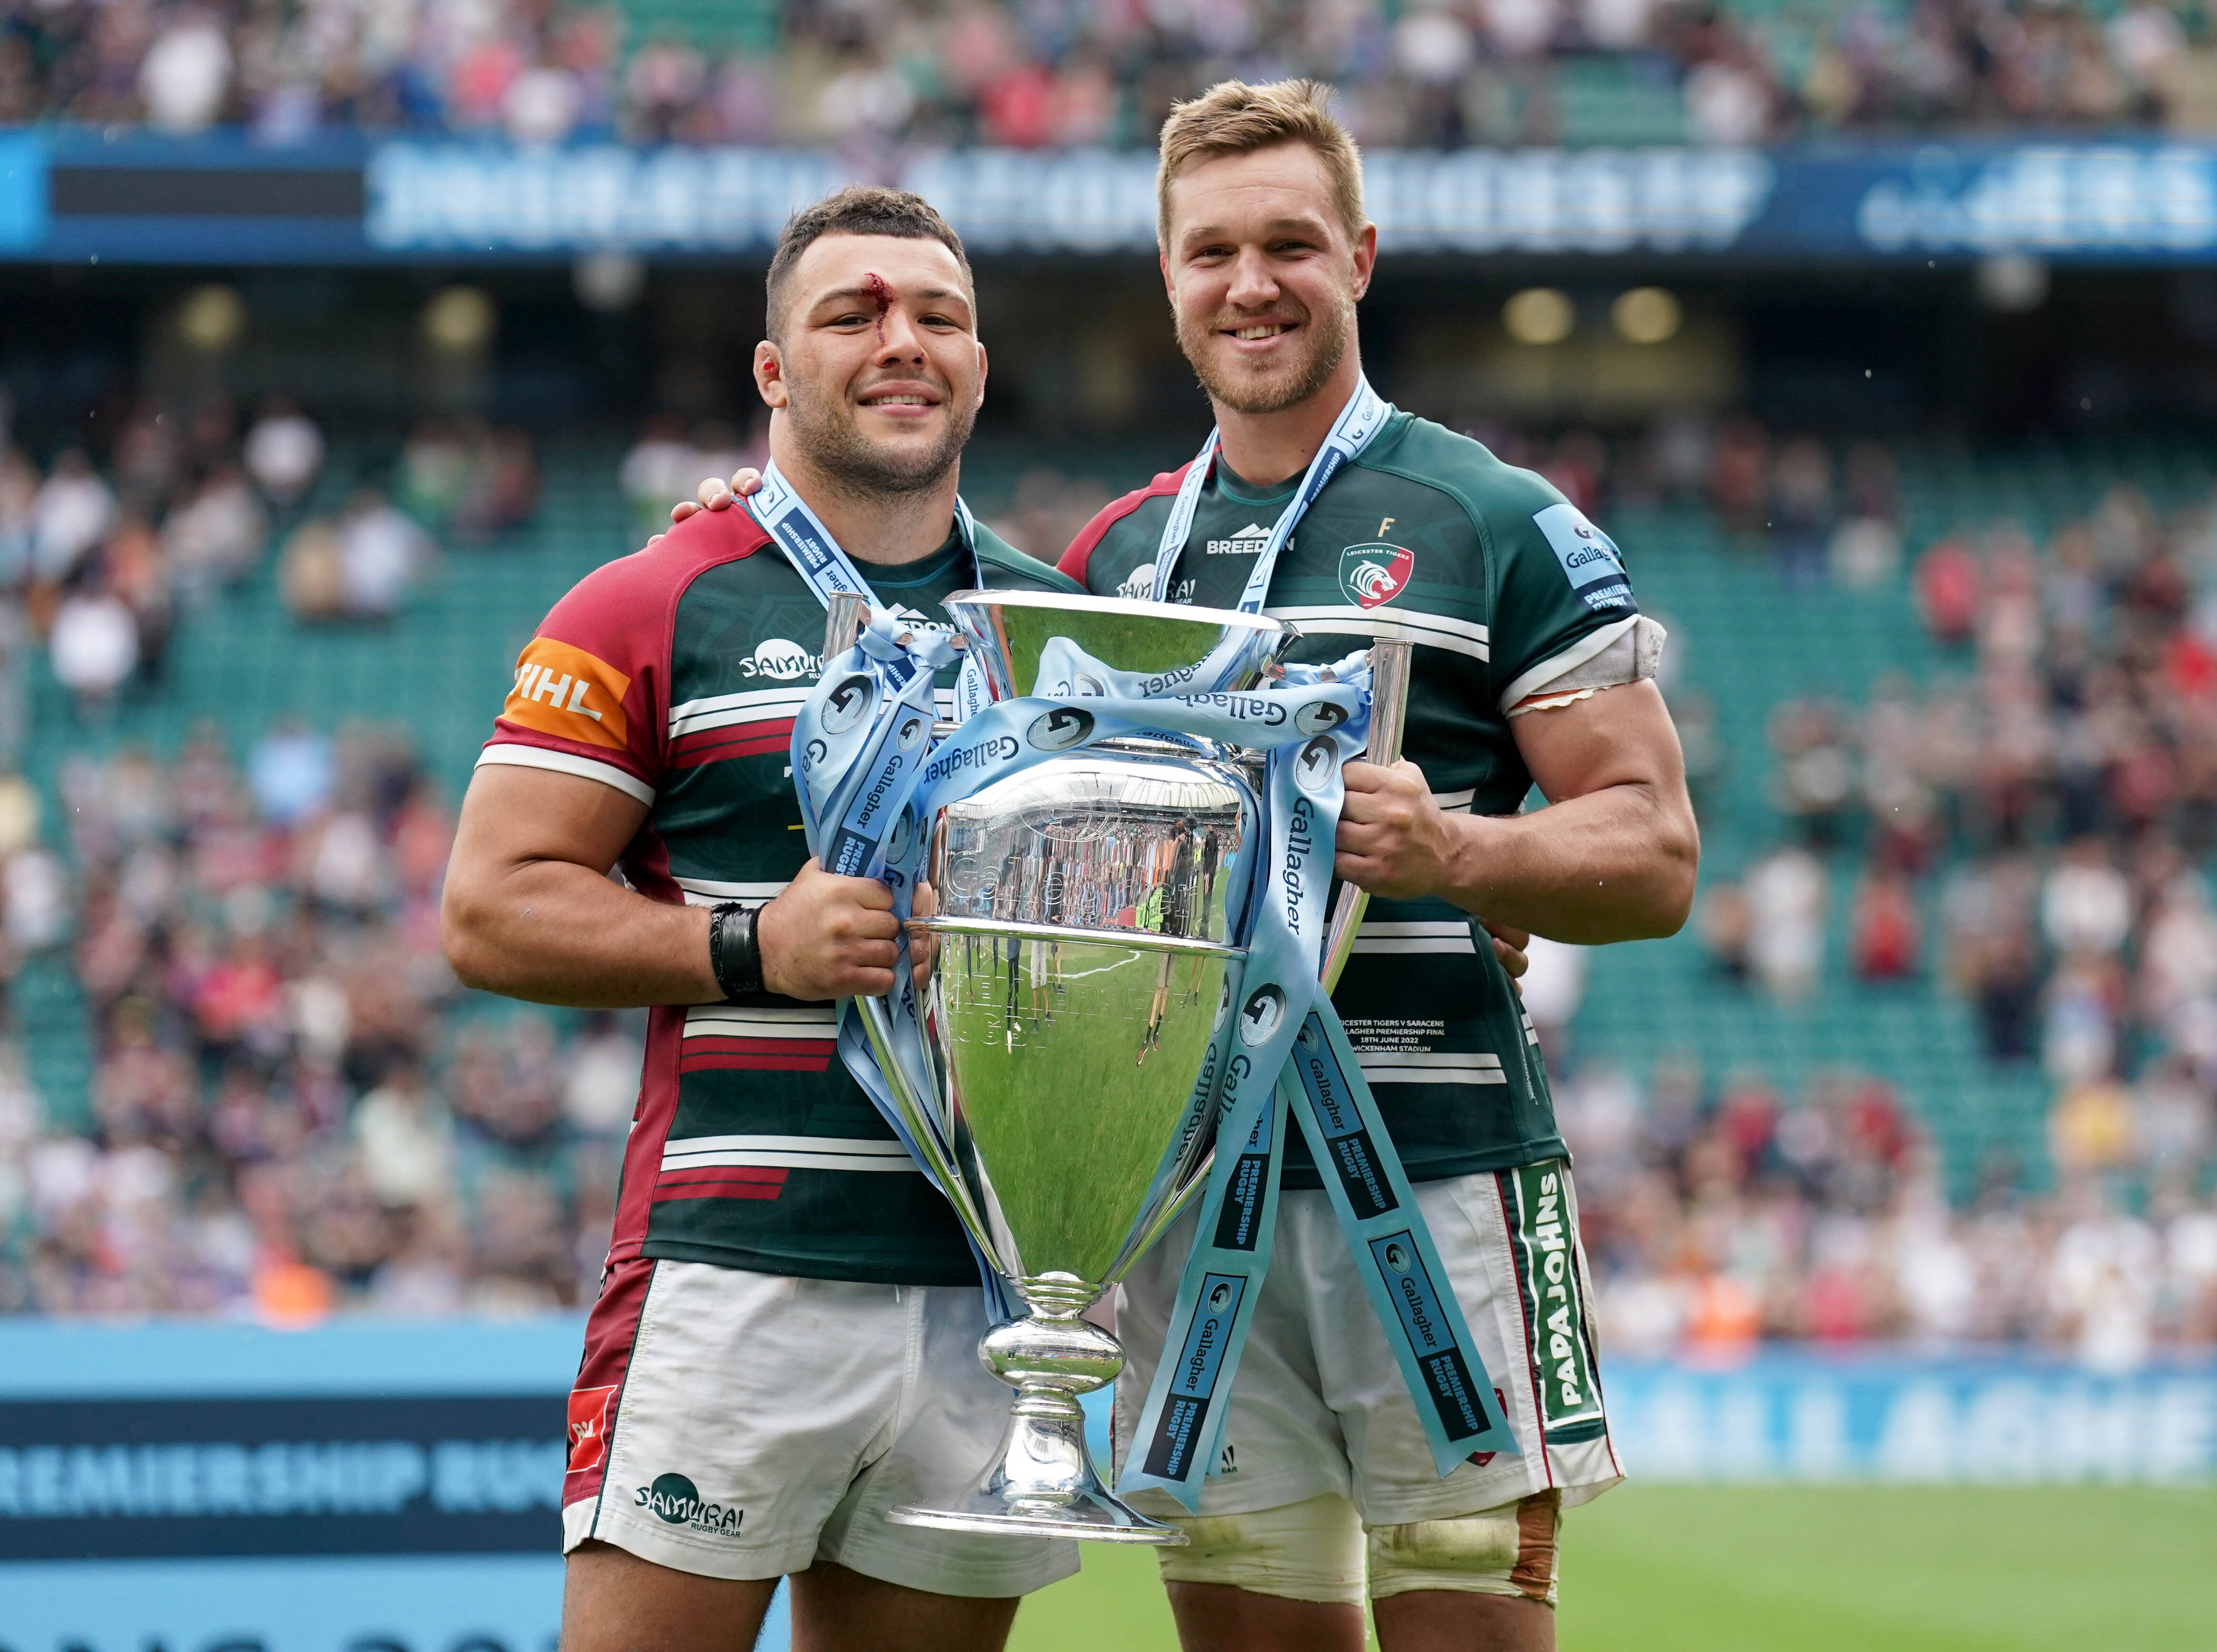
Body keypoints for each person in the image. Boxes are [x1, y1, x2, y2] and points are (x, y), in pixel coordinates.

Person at [664, 81, 1691, 1652]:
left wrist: (1462, 848)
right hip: (1182, 1203)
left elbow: (1654, 850)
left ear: (1359, 254)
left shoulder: (1496, 519)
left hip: (1436, 1180)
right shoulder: (1110, 563)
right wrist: (757, 508)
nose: (1250, 283)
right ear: (1167, 279)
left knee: (1467, 1626)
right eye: (1210, 250)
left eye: (1289, 243)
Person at [440, 186, 1084, 1652]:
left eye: (937, 317)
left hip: (991, 1282)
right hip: (737, 1276)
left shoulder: (1062, 634)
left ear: (980, 364)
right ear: (773, 371)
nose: (900, 342)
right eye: (851, 314)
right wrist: (750, 948)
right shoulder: (647, 600)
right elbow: (487, 910)